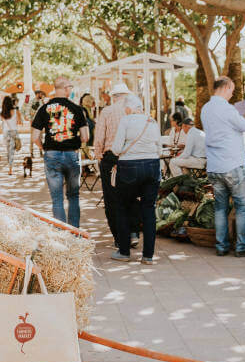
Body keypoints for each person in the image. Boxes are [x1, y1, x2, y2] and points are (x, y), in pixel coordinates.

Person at [200, 76, 245, 257]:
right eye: (232, 89)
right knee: (243, 206)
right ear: (226, 87)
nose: (233, 93)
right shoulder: (227, 109)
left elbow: (227, 127)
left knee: (220, 207)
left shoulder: (206, 109)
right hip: (232, 164)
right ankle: (242, 247)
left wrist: (244, 118)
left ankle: (221, 246)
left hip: (214, 165)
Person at [31, 78, 91, 227]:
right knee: (73, 196)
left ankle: (61, 234)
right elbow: (85, 137)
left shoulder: (44, 108)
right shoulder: (77, 109)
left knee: (57, 198)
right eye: (70, 87)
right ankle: (74, 232)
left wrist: (43, 148)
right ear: (66, 88)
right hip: (71, 154)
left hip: (52, 154)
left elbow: (34, 137)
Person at [110, 94, 162, 263]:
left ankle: (124, 252)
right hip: (152, 166)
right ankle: (148, 255)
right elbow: (159, 149)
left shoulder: (126, 121)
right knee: (149, 209)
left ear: (128, 108)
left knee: (123, 207)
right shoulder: (152, 121)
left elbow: (116, 149)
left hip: (129, 167)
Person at [92, 82, 131, 248]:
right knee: (129, 196)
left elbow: (99, 137)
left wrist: (98, 155)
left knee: (111, 198)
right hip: (130, 157)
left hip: (111, 158)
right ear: (126, 96)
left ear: (114, 97)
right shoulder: (135, 111)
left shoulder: (107, 111)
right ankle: (132, 232)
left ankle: (118, 237)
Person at [0, 95, 21, 175]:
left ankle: (10, 166)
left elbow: (2, 123)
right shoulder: (16, 111)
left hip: (6, 132)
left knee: (8, 150)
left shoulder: (2, 113)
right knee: (12, 151)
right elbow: (19, 122)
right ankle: (10, 169)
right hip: (14, 132)